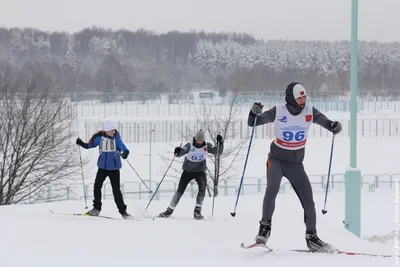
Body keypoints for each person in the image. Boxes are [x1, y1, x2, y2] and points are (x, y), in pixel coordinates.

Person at [248, 82, 342, 252]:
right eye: (300, 97)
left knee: (309, 201)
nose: (303, 100)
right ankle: (264, 230)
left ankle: (312, 237)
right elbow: (254, 122)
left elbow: (327, 123)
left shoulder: (309, 111)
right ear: (291, 98)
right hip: (276, 160)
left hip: (296, 164)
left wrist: (334, 126)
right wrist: (253, 113)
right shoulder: (279, 111)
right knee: (272, 190)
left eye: (305, 96)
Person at [159, 129, 224, 220]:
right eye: (198, 140)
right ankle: (169, 211)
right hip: (188, 171)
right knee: (180, 191)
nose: (199, 141)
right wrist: (177, 151)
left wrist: (220, 143)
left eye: (201, 140)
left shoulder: (206, 146)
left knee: (202, 189)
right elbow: (179, 153)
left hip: (200, 171)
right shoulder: (190, 145)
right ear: (195, 139)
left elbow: (217, 152)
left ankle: (197, 211)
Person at [76, 120, 133, 220]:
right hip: (102, 168)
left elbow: (124, 148)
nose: (113, 132)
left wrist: (125, 153)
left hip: (114, 169)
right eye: (111, 130)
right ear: (106, 131)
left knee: (116, 190)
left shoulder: (117, 139)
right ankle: (96, 208)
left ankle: (123, 212)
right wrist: (81, 143)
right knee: (97, 187)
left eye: (114, 130)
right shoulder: (100, 139)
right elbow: (89, 145)